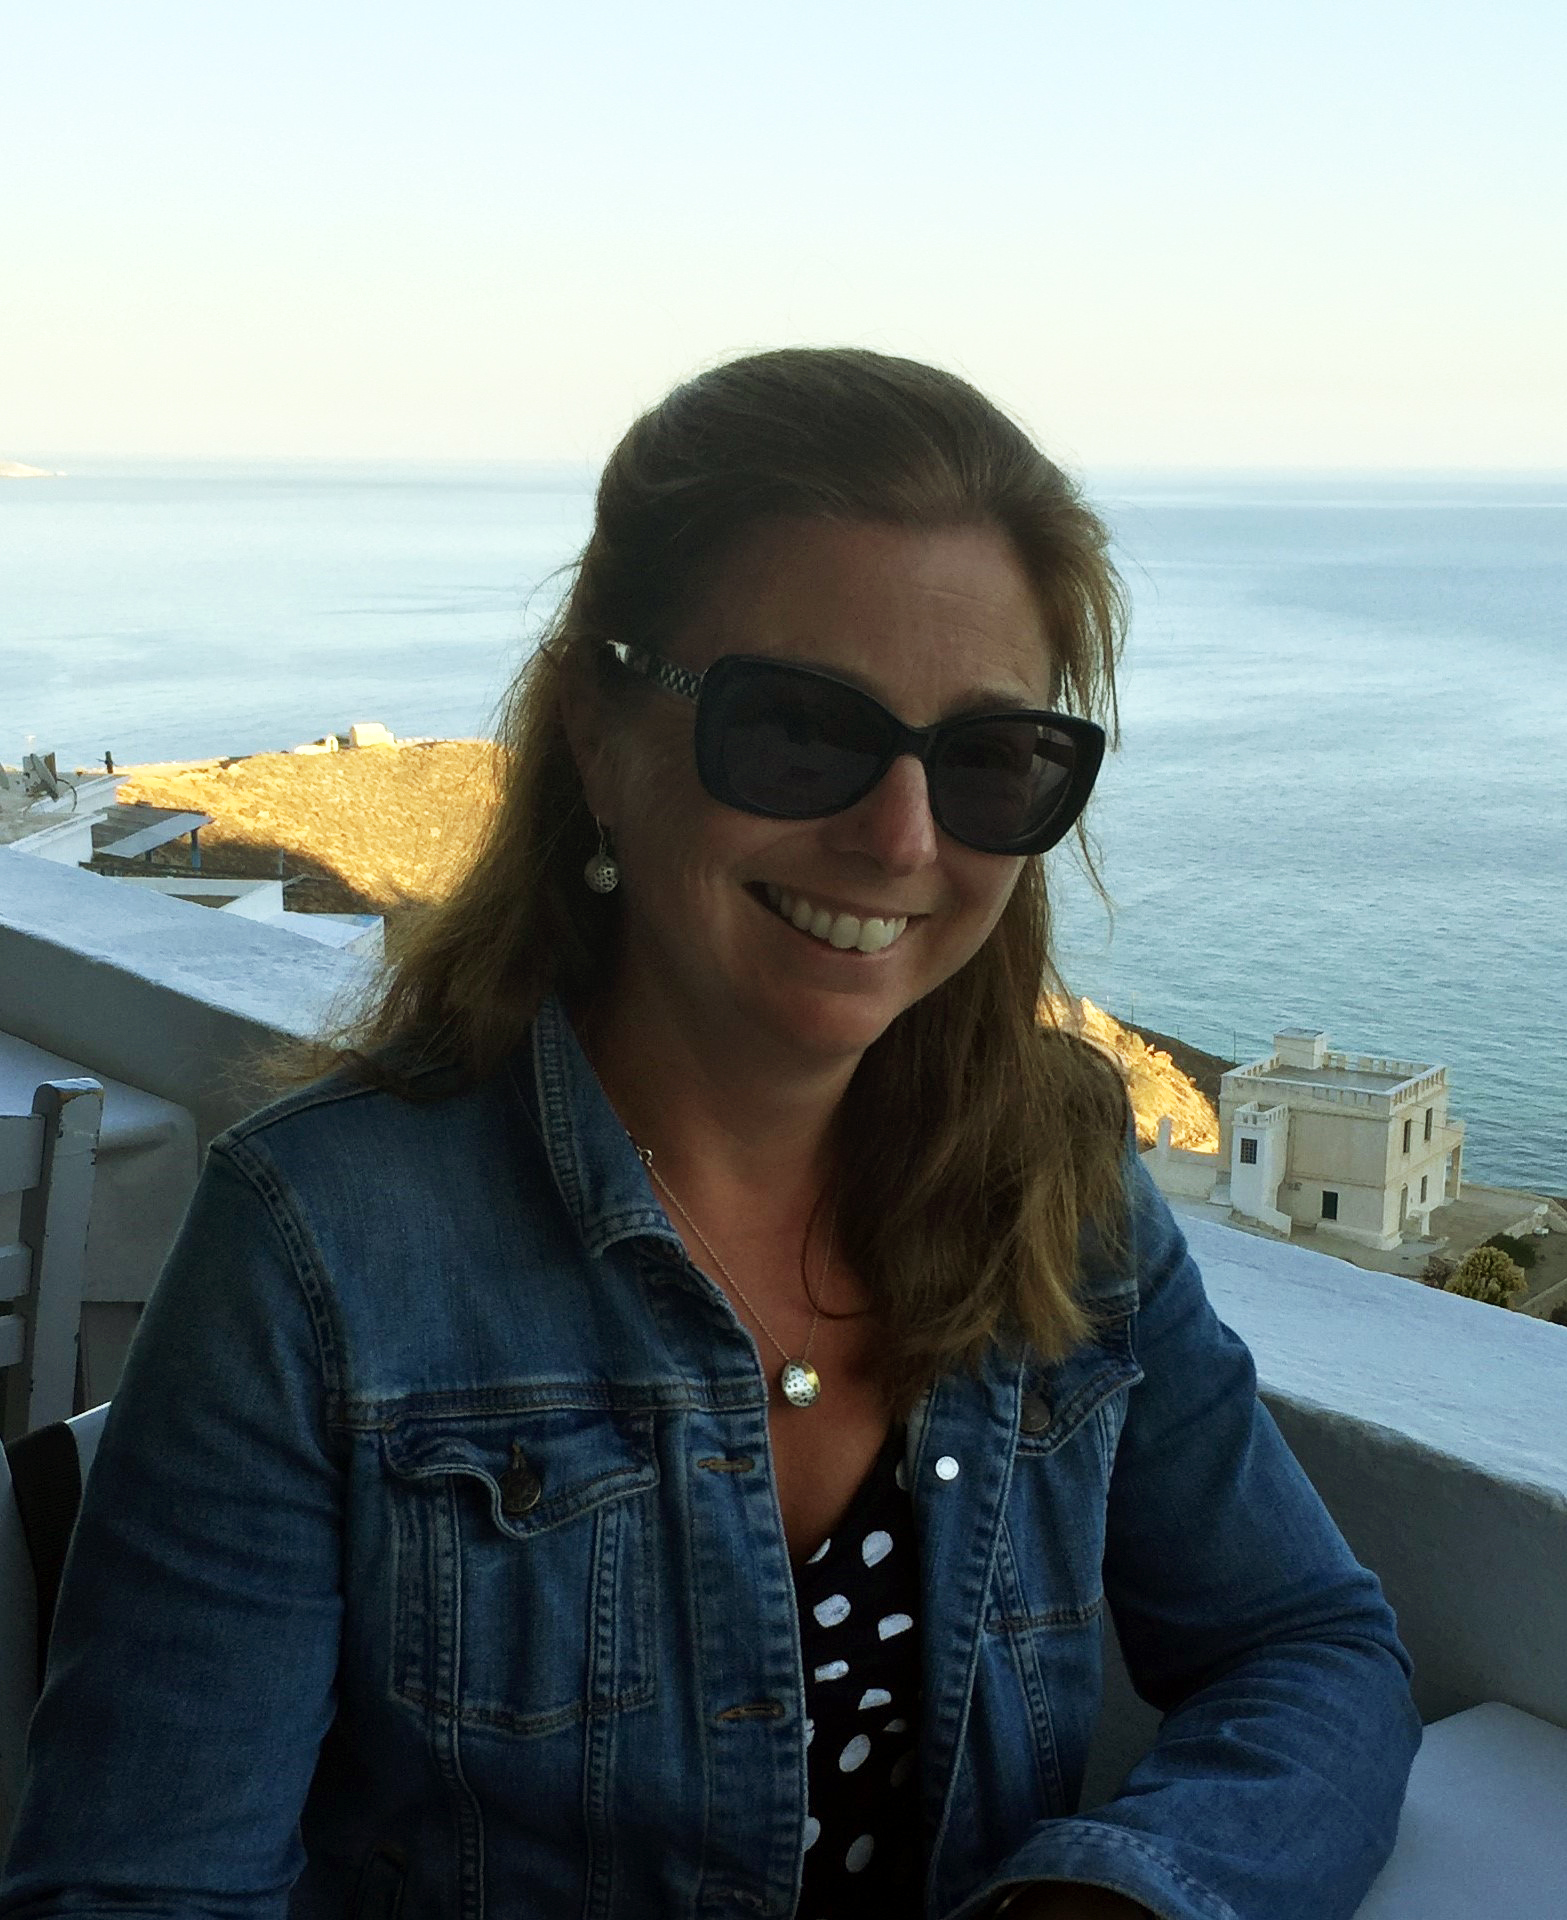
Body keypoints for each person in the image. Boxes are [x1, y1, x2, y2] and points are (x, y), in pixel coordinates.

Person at [0, 348, 1419, 1919]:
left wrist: (1109, 1898)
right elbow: (142, 1887)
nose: (900, 839)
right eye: (799, 730)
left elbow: (1307, 1647)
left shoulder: (1054, 1187)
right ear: (599, 735)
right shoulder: (320, 1248)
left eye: (986, 756)